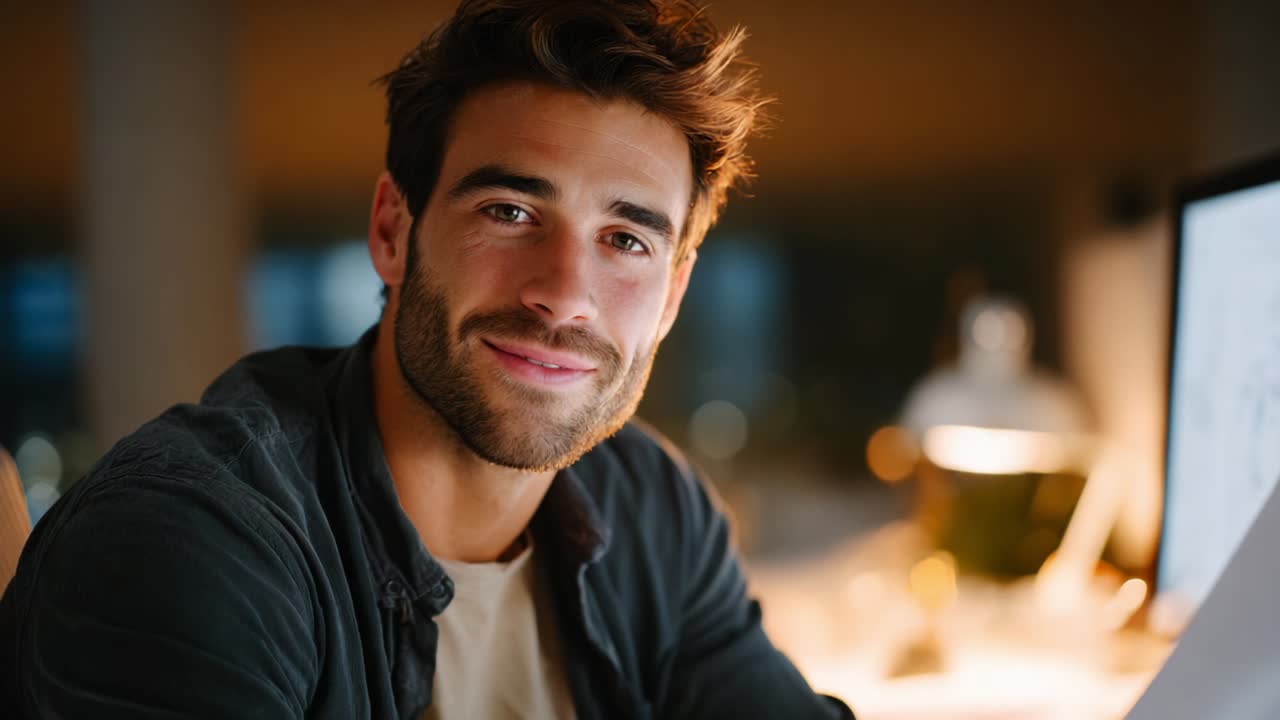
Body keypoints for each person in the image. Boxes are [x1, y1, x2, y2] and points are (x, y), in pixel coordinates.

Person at [0, 1, 855, 718]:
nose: (564, 295)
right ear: (392, 231)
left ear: (671, 297)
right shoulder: (191, 538)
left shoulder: (654, 508)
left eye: (627, 240)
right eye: (510, 211)